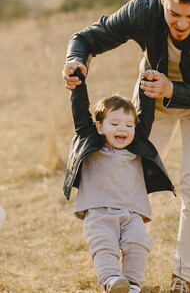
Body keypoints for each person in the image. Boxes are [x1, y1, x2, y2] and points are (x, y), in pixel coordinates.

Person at [62, 0, 190, 292]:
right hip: (150, 105)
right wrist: (74, 61)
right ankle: (119, 274)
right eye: (174, 13)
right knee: (129, 178)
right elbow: (87, 38)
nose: (181, 24)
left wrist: (172, 88)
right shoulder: (142, 9)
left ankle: (183, 277)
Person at [63, 69, 175, 293]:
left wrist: (148, 81)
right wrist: (77, 81)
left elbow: (146, 112)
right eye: (114, 124)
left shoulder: (137, 145)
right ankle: (112, 281)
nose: (122, 128)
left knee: (138, 244)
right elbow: (79, 112)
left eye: (128, 125)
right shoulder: (91, 143)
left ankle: (132, 285)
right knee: (104, 247)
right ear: (100, 127)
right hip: (98, 211)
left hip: (132, 212)